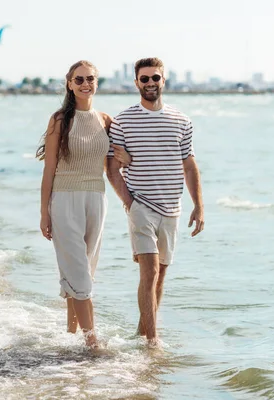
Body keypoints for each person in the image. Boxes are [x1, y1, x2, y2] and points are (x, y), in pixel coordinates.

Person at [106, 57, 205, 347]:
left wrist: (199, 205)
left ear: (164, 80)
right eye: (144, 78)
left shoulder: (182, 121)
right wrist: (129, 202)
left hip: (172, 208)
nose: (150, 83)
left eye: (155, 78)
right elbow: (111, 167)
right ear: (136, 82)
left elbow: (189, 165)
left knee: (161, 274)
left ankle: (142, 332)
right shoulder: (123, 121)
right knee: (148, 271)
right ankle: (153, 343)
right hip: (141, 206)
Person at [37, 60, 131, 348]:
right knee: (79, 272)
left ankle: (70, 336)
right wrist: (44, 213)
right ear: (69, 83)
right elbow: (49, 168)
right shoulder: (59, 120)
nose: (85, 83)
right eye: (79, 79)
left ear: (97, 82)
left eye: (90, 78)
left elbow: (119, 158)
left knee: (84, 270)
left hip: (97, 200)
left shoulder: (105, 120)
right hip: (64, 200)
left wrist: (125, 158)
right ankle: (92, 343)